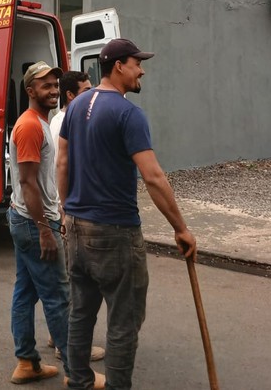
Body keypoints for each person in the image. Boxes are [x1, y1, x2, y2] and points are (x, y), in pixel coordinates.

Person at [57, 39, 196, 390]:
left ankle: (79, 383)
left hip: (75, 225)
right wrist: (181, 228)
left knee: (80, 314)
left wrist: (66, 208)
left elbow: (62, 161)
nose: (142, 70)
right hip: (114, 230)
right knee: (123, 320)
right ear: (118, 66)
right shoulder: (128, 113)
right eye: (137, 63)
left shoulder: (75, 106)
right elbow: (153, 176)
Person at [7, 61, 104, 388]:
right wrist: (45, 229)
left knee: (25, 292)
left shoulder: (38, 122)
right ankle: (79, 374)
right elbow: (28, 182)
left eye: (54, 85)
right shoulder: (31, 126)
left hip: (26, 219)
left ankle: (26, 363)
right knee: (58, 296)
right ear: (30, 90)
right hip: (34, 223)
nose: (51, 91)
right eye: (44, 86)